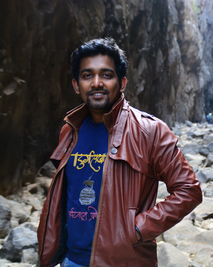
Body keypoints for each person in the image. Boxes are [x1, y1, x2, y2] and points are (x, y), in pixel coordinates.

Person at [37, 38, 202, 267]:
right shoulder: (69, 129)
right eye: (87, 75)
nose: (96, 83)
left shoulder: (149, 131)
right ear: (76, 85)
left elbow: (189, 190)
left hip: (123, 261)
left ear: (122, 82)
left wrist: (137, 228)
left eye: (106, 75)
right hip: (72, 260)